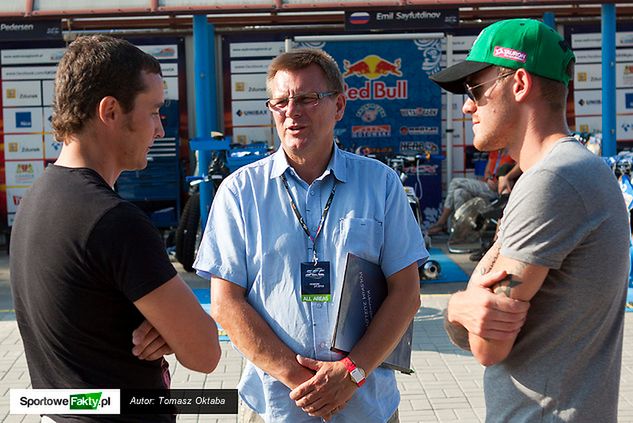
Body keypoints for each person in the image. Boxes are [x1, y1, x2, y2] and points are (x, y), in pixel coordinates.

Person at [193, 48, 427, 422]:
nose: (292, 112)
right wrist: (299, 380)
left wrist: (351, 373)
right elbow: (225, 303)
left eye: (307, 98)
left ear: (339, 106)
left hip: (366, 405)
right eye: (281, 102)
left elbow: (406, 292)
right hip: (276, 406)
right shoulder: (241, 193)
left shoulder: (380, 184)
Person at [10, 35, 221, 422]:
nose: (160, 129)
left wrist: (166, 325)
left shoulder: (37, 197)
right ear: (110, 111)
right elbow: (206, 353)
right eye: (154, 110)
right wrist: (176, 329)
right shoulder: (114, 221)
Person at [429, 18, 629, 422]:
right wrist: (467, 307)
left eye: (476, 89)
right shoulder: (576, 170)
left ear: (519, 84)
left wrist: (454, 307)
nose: (467, 105)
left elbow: (487, 346)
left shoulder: (553, 180)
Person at [427, 149, 515, 235]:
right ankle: (462, 229)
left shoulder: (512, 153)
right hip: (487, 186)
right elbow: (487, 172)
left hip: (501, 190)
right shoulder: (495, 152)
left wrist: (504, 179)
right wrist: (489, 179)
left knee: (455, 182)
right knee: (459, 192)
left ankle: (442, 221)